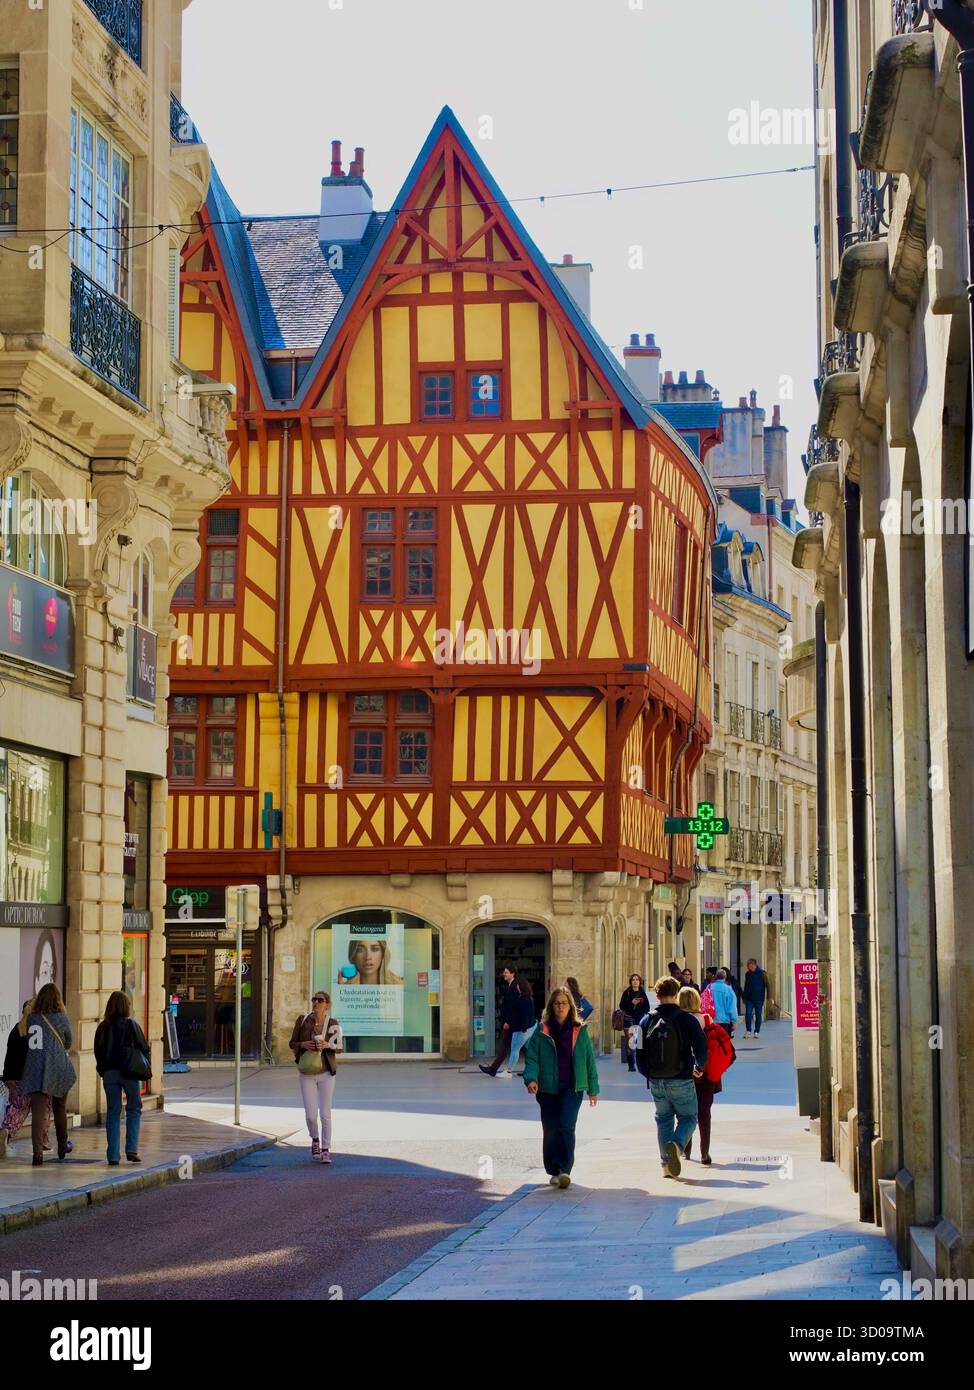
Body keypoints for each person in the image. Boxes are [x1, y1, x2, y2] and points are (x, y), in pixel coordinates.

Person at [522, 987, 599, 1188]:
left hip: (572, 1088)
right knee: (551, 1129)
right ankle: (554, 1169)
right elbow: (532, 1058)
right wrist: (531, 1078)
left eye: (564, 1003)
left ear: (570, 1006)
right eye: (556, 1003)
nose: (560, 1007)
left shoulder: (579, 1030)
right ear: (551, 1006)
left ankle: (565, 1169)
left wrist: (593, 1089)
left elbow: (589, 1061)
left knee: (566, 1125)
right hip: (547, 1088)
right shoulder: (542, 1030)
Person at [635, 976, 707, 1180]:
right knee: (689, 1117)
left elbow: (637, 1052)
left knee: (663, 1119)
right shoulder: (687, 1019)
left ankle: (666, 1165)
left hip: (657, 1080)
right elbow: (702, 1047)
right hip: (682, 1078)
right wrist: (699, 1066)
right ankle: (676, 1145)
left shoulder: (645, 1020)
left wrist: (648, 1074)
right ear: (676, 995)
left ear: (657, 995)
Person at [21, 983, 76, 1166]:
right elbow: (68, 1042)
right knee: (59, 1106)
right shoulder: (62, 1017)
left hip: (36, 1067)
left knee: (38, 1110)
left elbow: (30, 1040)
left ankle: (37, 1153)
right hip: (57, 1067)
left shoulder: (33, 1018)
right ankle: (62, 1145)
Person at [678, 986, 734, 1165]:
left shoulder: (679, 1021)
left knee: (685, 1112)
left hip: (686, 1073)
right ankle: (705, 1152)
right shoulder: (708, 1020)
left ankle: (686, 1149)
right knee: (704, 1112)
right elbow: (728, 1051)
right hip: (709, 1073)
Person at [94, 991, 150, 1165]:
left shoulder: (102, 1027)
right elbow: (144, 1047)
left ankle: (113, 1155)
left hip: (110, 1073)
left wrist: (103, 1070)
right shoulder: (132, 1025)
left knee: (113, 1111)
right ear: (126, 1006)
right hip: (129, 1072)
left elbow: (98, 1051)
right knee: (134, 1107)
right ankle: (132, 1149)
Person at [289, 991, 344, 1163]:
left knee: (325, 1113)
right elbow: (292, 1044)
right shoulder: (303, 1020)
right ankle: (315, 1139)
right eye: (314, 999)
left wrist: (327, 1044)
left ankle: (326, 1149)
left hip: (326, 1072)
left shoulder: (333, 1023)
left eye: (320, 1000)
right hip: (307, 1072)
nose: (316, 1002)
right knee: (311, 1115)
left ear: (327, 1004)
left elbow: (340, 1047)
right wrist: (303, 1044)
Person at [0, 1002, 36, 1159]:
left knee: (14, 1107)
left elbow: (9, 1055)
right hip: (25, 1079)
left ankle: (5, 1134)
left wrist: (7, 1076)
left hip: (12, 1077)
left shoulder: (16, 1029)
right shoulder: (34, 1033)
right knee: (21, 1110)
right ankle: (6, 1131)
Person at [480, 964, 519, 1076]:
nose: (504, 974)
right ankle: (493, 1069)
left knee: (508, 1045)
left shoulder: (514, 987)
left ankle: (494, 1069)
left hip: (510, 1023)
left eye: (506, 972)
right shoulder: (511, 985)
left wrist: (508, 1021)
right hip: (511, 1022)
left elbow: (512, 1007)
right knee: (508, 1045)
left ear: (512, 974)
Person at [499, 977, 537, 1076]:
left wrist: (523, 1028)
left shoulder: (523, 1000)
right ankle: (531, 1069)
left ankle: (509, 1071)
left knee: (515, 1049)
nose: (517, 988)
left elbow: (523, 1015)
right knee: (530, 1050)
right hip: (531, 1027)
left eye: (518, 987)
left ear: (521, 988)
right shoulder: (529, 998)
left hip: (521, 1029)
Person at [618, 973, 652, 1072]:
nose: (635, 981)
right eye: (633, 980)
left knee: (639, 1043)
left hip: (639, 1020)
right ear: (631, 982)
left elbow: (647, 1007)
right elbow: (622, 1006)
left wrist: (640, 1006)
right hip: (628, 1019)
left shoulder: (642, 992)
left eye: (637, 979)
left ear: (639, 982)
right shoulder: (627, 992)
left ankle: (640, 1063)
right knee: (630, 1042)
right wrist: (631, 1003)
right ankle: (631, 1064)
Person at [742, 958, 772, 1038]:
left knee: (758, 1015)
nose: (749, 967)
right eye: (748, 966)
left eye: (751, 965)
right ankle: (748, 1030)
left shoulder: (762, 973)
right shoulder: (747, 974)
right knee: (748, 1014)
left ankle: (756, 1031)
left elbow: (768, 986)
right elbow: (746, 986)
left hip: (759, 998)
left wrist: (769, 997)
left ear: (755, 965)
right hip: (749, 999)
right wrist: (744, 997)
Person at [710, 968, 738, 1037]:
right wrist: (734, 1021)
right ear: (725, 977)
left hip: (711, 1020)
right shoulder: (728, 989)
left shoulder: (709, 987)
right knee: (724, 1044)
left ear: (716, 977)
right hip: (724, 1021)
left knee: (712, 1044)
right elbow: (732, 1007)